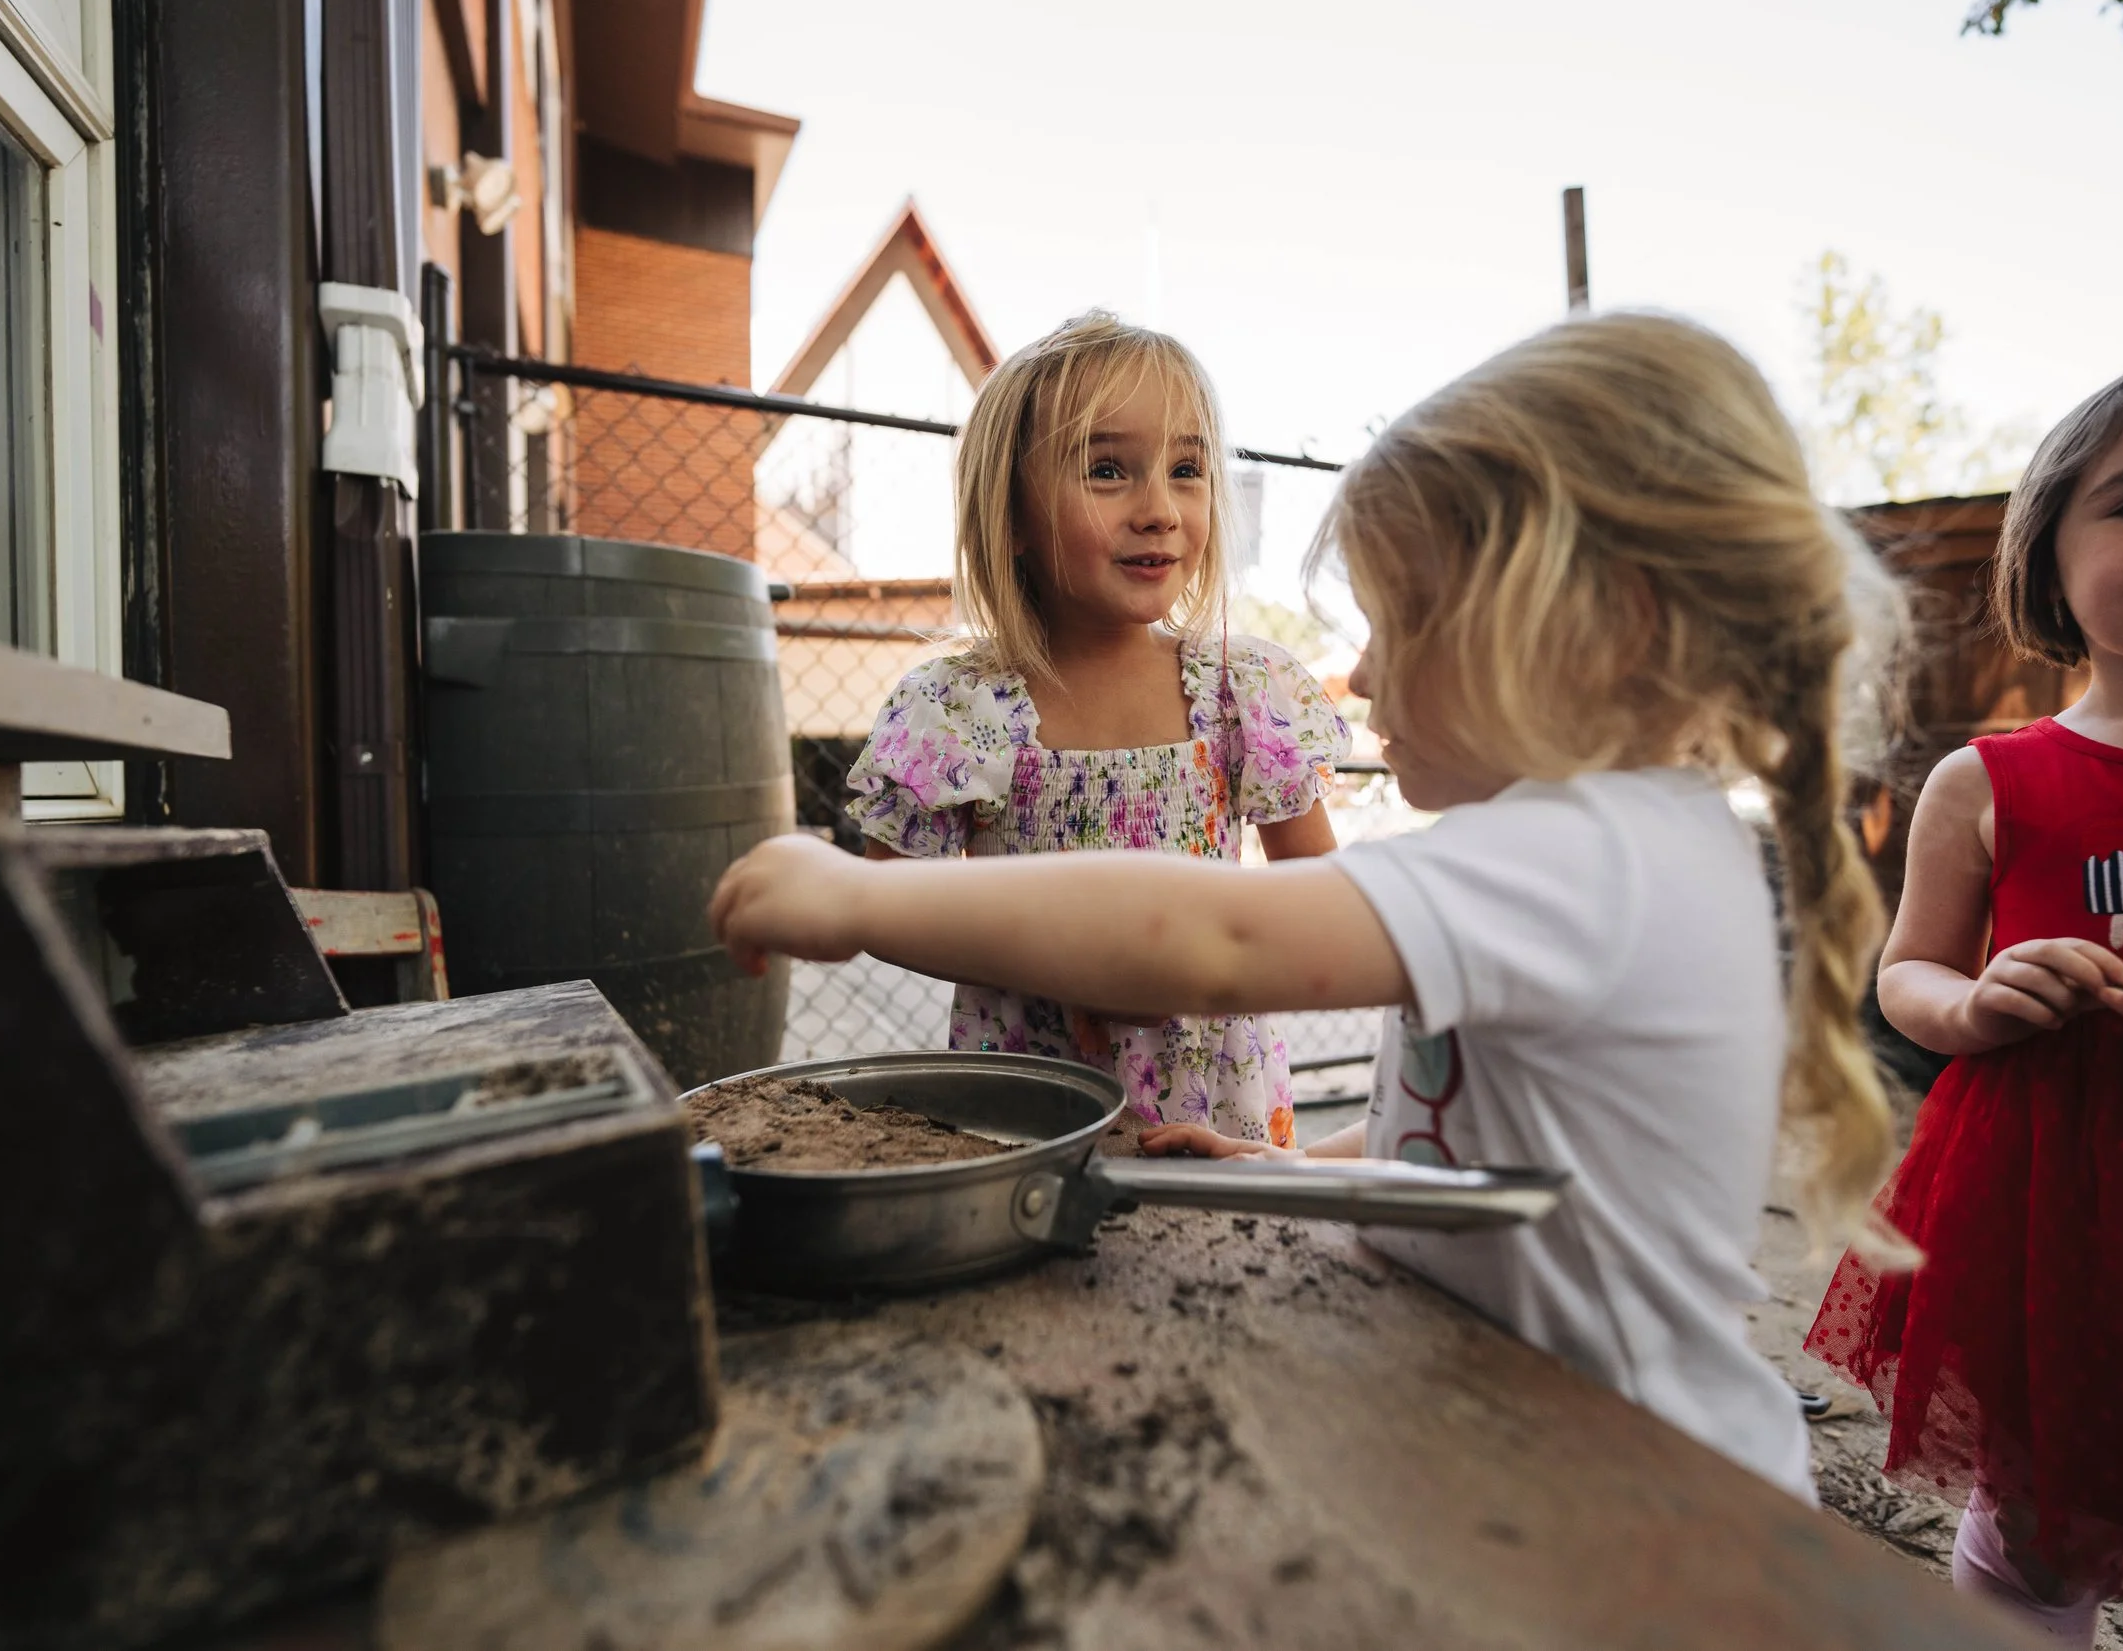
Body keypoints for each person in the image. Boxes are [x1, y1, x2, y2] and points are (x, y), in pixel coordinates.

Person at [717, 312, 1905, 1498]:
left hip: (1646, 1491)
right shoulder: (1598, 845)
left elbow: (1214, 937)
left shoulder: (1591, 857)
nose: (1363, 674)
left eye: (1400, 621)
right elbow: (1453, 1131)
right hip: (1538, 1439)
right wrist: (1275, 1165)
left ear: (1593, 627)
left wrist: (858, 895)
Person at [1807, 340, 2123, 1648]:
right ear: (2046, 559)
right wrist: (1977, 1004)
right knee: (2042, 1511)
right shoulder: (1988, 780)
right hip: (2067, 1206)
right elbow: (1909, 975)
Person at [844, 310, 1347, 1147]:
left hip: (1216, 1111)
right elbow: (884, 905)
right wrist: (1054, 960)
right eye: (1108, 470)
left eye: (1186, 469)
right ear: (1011, 515)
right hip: (1029, 1111)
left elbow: (1324, 897)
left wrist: (1210, 957)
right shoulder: (959, 708)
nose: (1160, 509)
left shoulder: (1240, 691)